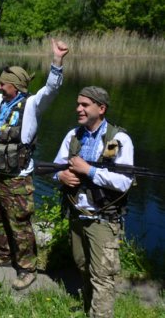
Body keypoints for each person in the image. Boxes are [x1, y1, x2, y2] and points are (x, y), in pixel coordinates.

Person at [0, 39, 69, 290]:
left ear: (15, 86)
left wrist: (57, 61)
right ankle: (4, 255)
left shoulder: (31, 105)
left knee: (20, 224)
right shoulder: (4, 104)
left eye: (3, 83)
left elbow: (51, 89)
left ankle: (28, 269)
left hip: (17, 178)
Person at [53, 86, 134, 317]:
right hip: (76, 215)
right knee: (82, 266)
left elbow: (124, 182)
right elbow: (55, 167)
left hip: (103, 219)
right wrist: (61, 175)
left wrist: (88, 171)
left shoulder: (118, 139)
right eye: (78, 104)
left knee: (102, 276)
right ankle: (89, 308)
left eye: (84, 105)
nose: (78, 108)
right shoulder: (73, 136)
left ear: (101, 108)